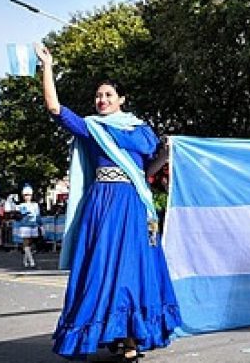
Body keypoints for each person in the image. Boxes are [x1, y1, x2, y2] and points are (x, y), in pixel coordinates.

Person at [34, 44, 179, 362]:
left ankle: (130, 336)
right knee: (102, 270)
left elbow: (145, 171)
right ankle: (113, 333)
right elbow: (55, 108)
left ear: (121, 100)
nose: (102, 100)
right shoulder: (91, 127)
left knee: (132, 270)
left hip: (134, 204)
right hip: (103, 205)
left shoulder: (141, 131)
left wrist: (166, 155)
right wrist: (48, 66)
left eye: (108, 95)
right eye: (99, 96)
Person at [13, 185, 41, 269]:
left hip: (33, 225)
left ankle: (25, 260)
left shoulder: (35, 205)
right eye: (25, 195)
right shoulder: (20, 206)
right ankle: (32, 261)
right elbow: (17, 216)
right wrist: (21, 213)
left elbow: (38, 216)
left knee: (30, 243)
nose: (27, 197)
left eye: (29, 195)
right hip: (24, 226)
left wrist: (41, 225)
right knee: (26, 242)